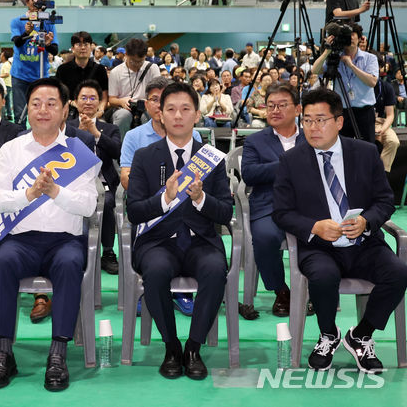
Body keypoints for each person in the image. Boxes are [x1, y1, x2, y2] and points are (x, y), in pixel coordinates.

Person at [272, 87, 407, 374]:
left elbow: (384, 200)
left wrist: (366, 221)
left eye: (321, 120)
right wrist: (314, 227)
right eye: (307, 120)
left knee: (397, 272)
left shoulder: (366, 152)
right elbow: (281, 213)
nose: (313, 127)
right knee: (323, 276)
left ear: (339, 121)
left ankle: (361, 335)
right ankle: (328, 335)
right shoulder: (291, 161)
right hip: (319, 248)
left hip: (364, 244)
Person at [0, 77, 100, 392]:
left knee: (68, 265)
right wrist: (29, 195)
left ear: (65, 111)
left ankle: (58, 355)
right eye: (36, 103)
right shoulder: (11, 150)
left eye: (51, 104)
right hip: (20, 241)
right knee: (3, 262)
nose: (42, 110)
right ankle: (3, 354)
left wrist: (54, 191)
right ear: (27, 110)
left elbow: (89, 205)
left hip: (65, 241)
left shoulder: (80, 151)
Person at [127, 81, 232, 380]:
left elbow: (225, 211)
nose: (177, 116)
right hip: (157, 242)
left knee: (215, 269)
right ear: (160, 114)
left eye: (185, 109)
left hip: (201, 241)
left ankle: (193, 348)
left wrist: (200, 198)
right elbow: (133, 211)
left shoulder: (212, 157)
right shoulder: (145, 156)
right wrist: (166, 198)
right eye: (170, 109)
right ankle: (172, 347)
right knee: (157, 270)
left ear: (197, 115)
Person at [240, 83, 306, 319]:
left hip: (308, 206)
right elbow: (249, 173)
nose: (275, 110)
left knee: (324, 235)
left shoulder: (312, 135)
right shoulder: (255, 141)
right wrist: (288, 165)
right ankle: (282, 291)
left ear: (298, 109)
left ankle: (312, 290)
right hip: (269, 204)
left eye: (282, 105)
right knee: (265, 237)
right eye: (270, 106)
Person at [67, 80, 121, 274]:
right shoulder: (66, 128)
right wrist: (80, 133)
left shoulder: (110, 129)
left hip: (103, 182)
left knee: (106, 202)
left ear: (100, 102)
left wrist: (96, 133)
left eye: (93, 98)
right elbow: (61, 155)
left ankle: (107, 252)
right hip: (72, 182)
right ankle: (75, 248)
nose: (88, 102)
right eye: (83, 98)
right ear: (74, 101)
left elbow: (117, 152)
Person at [312, 22, 378, 143]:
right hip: (343, 111)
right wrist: (327, 51)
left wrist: (351, 65)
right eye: (347, 35)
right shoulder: (336, 58)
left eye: (353, 34)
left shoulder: (370, 58)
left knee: (367, 148)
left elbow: (372, 82)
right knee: (344, 147)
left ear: (360, 38)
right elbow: (315, 70)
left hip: (365, 111)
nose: (350, 38)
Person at [10, 0, 59, 125]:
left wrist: (48, 44)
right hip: (20, 75)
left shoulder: (48, 23)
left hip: (41, 75)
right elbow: (17, 42)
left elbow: (54, 50)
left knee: (41, 113)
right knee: (20, 115)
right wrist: (27, 32)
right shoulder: (18, 21)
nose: (37, 2)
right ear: (27, 2)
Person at [108, 38, 161, 139]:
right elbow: (111, 99)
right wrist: (121, 102)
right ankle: (120, 150)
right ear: (126, 54)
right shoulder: (116, 72)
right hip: (123, 108)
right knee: (123, 116)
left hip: (146, 107)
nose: (137, 65)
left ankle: (150, 149)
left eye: (140, 62)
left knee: (149, 116)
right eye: (133, 61)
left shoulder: (152, 68)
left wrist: (149, 102)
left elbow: (159, 94)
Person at [55, 31, 108, 116]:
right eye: (79, 45)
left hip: (94, 112)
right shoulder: (63, 70)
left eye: (86, 44)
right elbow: (59, 95)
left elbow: (104, 97)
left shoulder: (100, 69)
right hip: (70, 112)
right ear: (72, 48)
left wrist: (100, 112)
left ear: (91, 47)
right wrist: (72, 103)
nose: (83, 48)